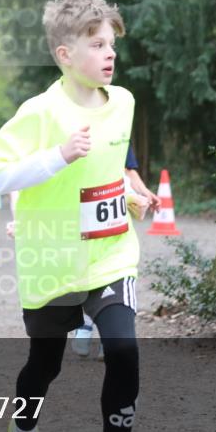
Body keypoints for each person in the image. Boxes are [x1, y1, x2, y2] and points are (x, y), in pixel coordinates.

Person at [0, 0, 146, 432]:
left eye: (111, 44)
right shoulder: (39, 112)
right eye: (96, 45)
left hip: (110, 255)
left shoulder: (123, 102)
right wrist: (57, 155)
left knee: (124, 352)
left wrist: (131, 191)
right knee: (44, 367)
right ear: (65, 55)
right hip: (52, 264)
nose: (109, 54)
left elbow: (113, 163)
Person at [73, 145, 157, 359]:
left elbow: (129, 170)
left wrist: (144, 193)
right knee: (84, 272)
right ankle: (84, 324)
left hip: (111, 218)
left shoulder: (120, 127)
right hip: (78, 213)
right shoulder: (73, 127)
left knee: (110, 273)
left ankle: (105, 338)